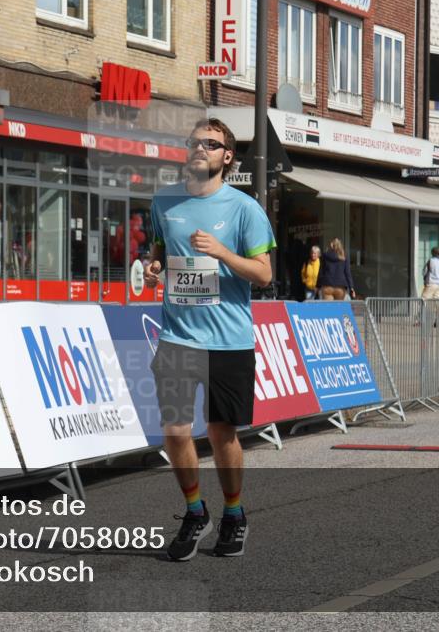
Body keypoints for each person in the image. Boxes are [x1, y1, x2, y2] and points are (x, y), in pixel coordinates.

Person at [143, 118, 275, 561]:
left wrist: (222, 252)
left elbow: (264, 274)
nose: (200, 148)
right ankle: (195, 510)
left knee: (222, 434)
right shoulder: (164, 200)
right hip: (179, 336)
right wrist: (154, 267)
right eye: (194, 141)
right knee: (175, 430)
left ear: (227, 156)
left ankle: (234, 514)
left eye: (211, 143)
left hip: (228, 341)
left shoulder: (244, 209)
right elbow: (160, 247)